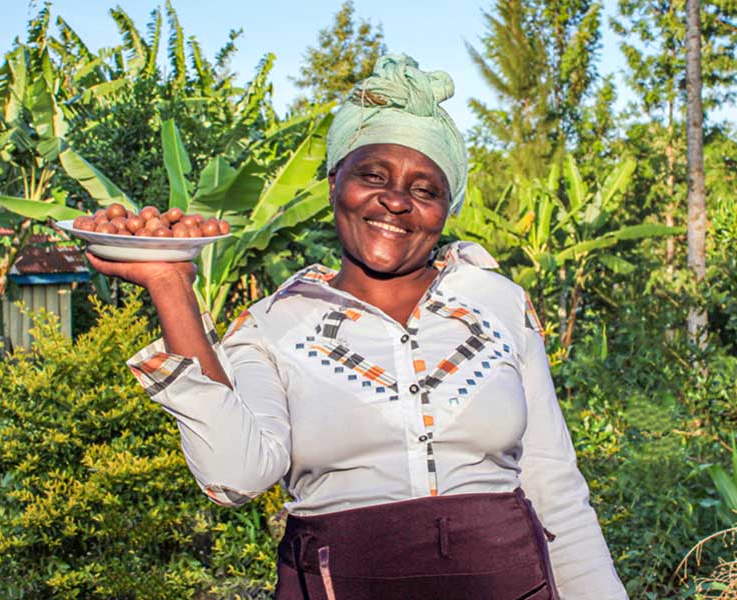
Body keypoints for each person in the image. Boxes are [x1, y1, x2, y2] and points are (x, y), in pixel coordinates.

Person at [87, 55, 628, 600]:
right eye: (372, 175)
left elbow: (555, 487)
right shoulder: (274, 324)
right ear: (333, 183)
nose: (396, 200)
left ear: (446, 208)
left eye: (425, 189)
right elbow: (236, 475)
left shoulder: (499, 303)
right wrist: (171, 285)